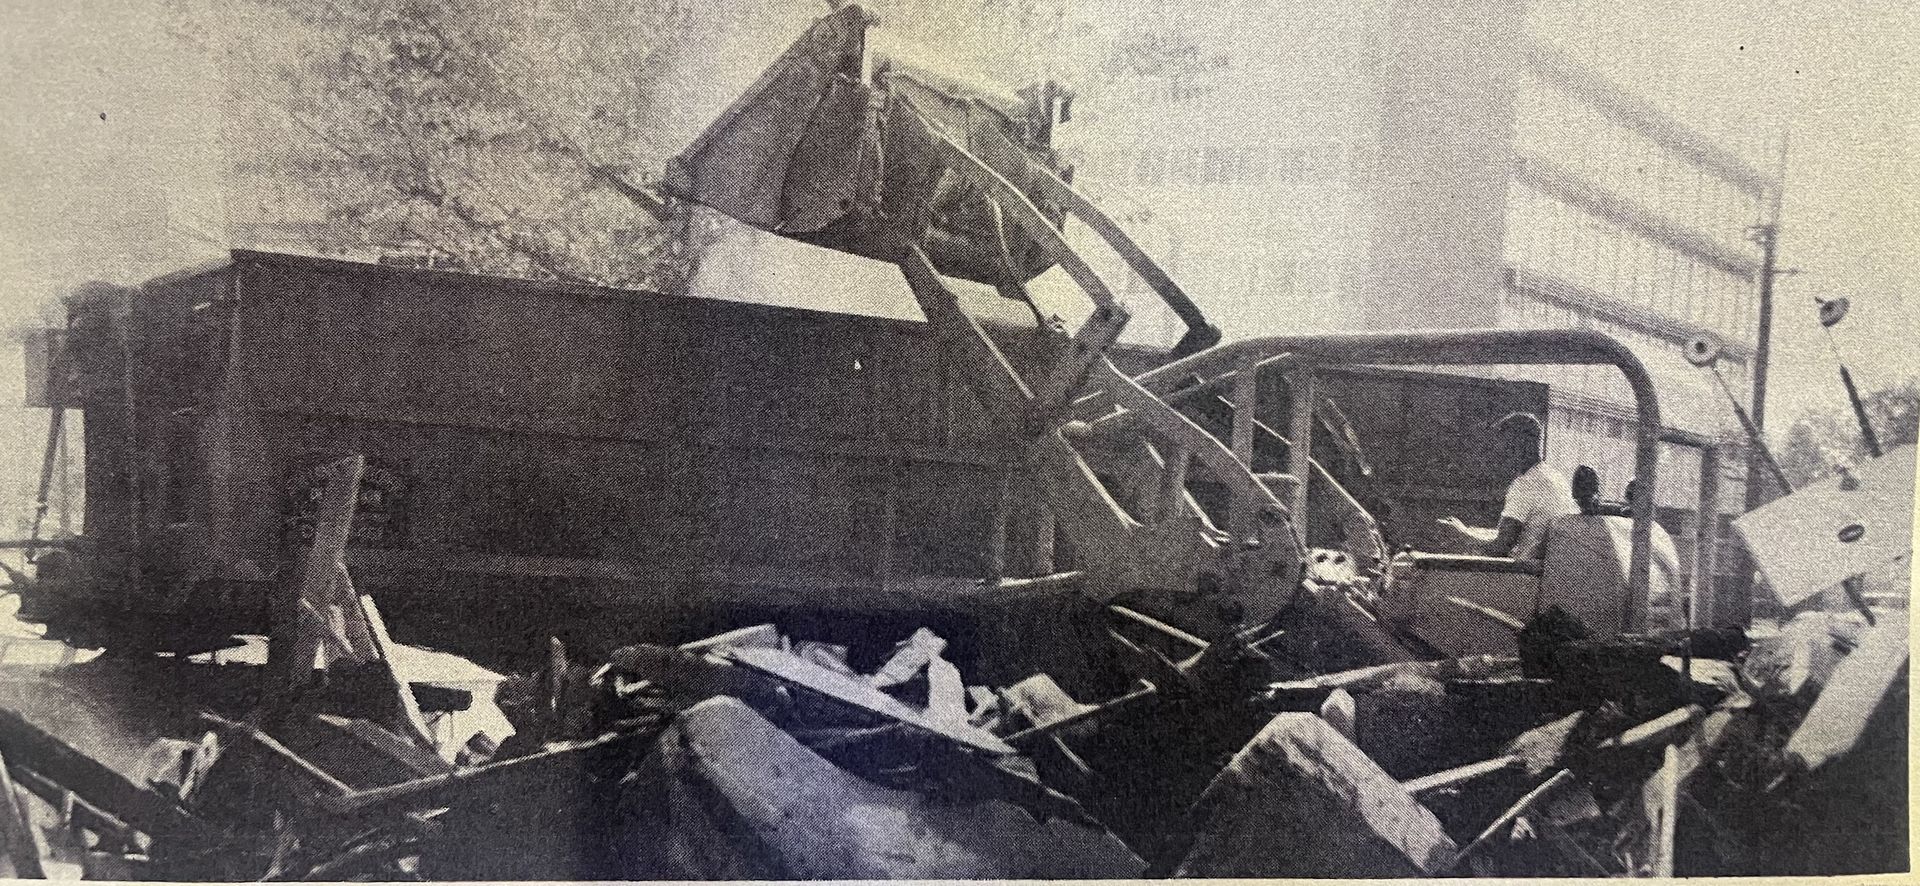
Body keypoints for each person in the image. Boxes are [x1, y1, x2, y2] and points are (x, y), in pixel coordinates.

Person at [1436, 412, 1577, 558]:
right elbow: (1511, 535)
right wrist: (1470, 532)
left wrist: (1461, 534)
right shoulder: (1555, 476)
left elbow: (1500, 547)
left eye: (1505, 447)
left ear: (1521, 445)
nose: (1500, 455)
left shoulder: (1525, 484)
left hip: (1521, 575)